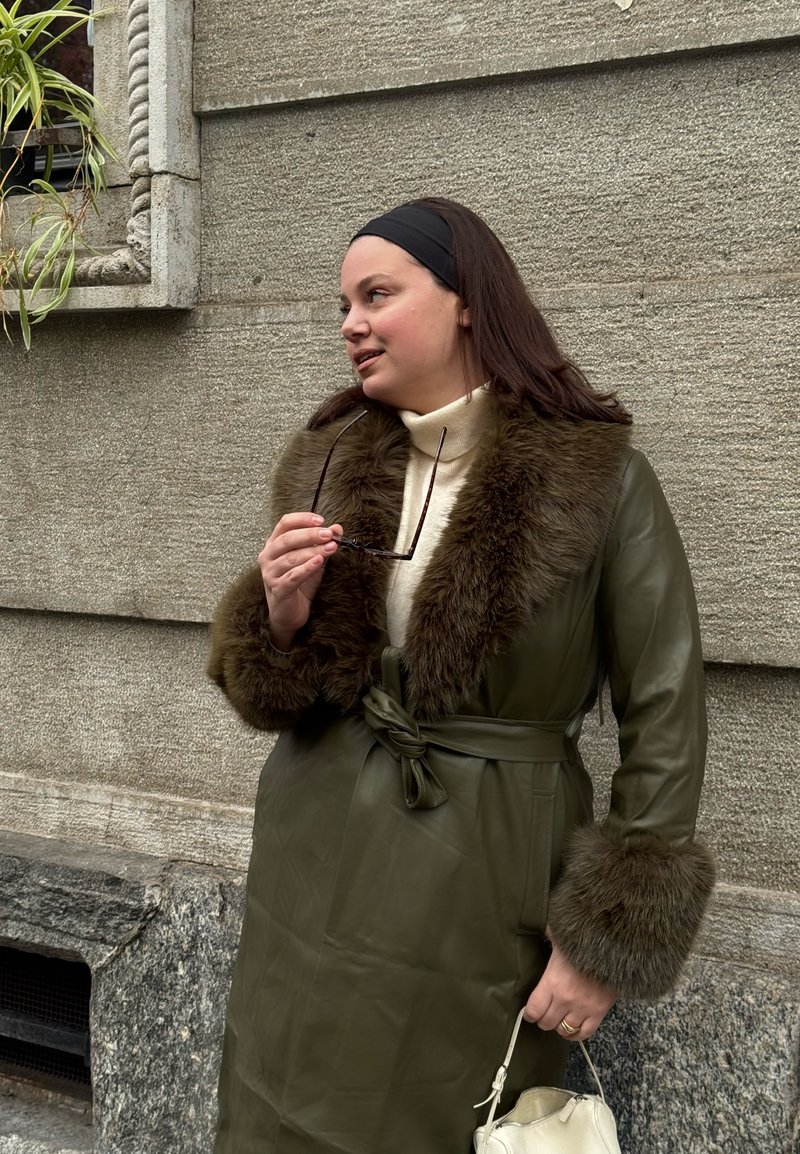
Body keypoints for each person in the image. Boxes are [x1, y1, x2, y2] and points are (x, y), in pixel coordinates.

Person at [207, 198, 715, 1154]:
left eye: (378, 294)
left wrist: (600, 942)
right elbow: (286, 690)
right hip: (310, 856)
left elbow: (666, 711)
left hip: (483, 875)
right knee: (276, 1107)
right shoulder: (331, 461)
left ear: (468, 301)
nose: (350, 322)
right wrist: (278, 618)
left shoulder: (596, 479)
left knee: (444, 1118)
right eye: (342, 304)